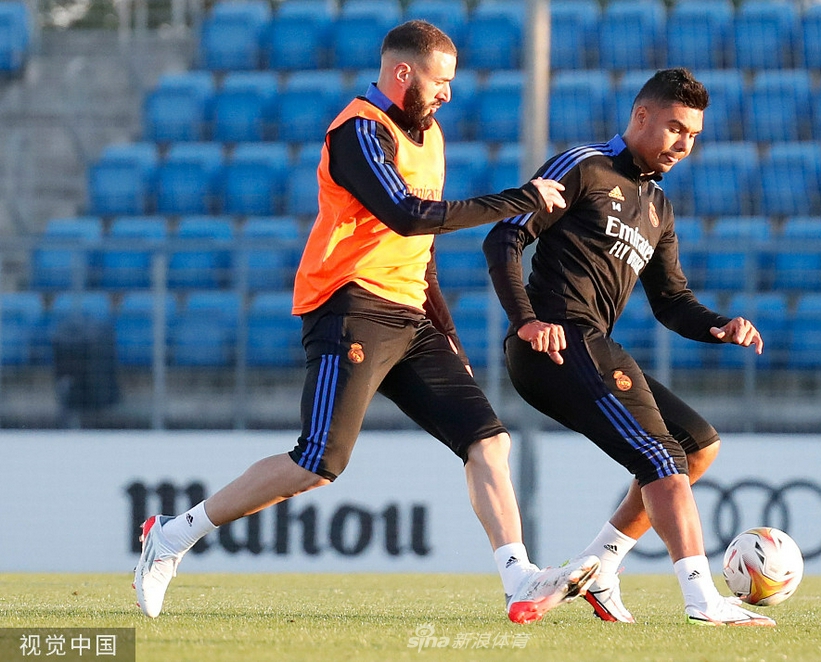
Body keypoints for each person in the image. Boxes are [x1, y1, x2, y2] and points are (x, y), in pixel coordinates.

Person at [134, 19, 599, 624]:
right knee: (317, 464)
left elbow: (422, 248)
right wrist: (519, 198)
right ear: (403, 72)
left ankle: (518, 579)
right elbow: (407, 214)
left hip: (412, 316)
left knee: (488, 441)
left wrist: (449, 336)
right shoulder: (357, 130)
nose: (448, 94)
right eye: (440, 80)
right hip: (349, 307)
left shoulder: (430, 135)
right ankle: (171, 536)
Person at [482, 68, 775, 626]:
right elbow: (505, 236)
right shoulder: (585, 167)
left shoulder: (658, 207)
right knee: (662, 459)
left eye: (693, 136)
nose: (684, 145)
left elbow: (671, 301)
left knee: (698, 447)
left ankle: (600, 566)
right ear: (641, 115)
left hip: (591, 345)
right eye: (675, 128)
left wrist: (719, 325)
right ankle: (702, 599)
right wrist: (525, 321)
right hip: (556, 343)